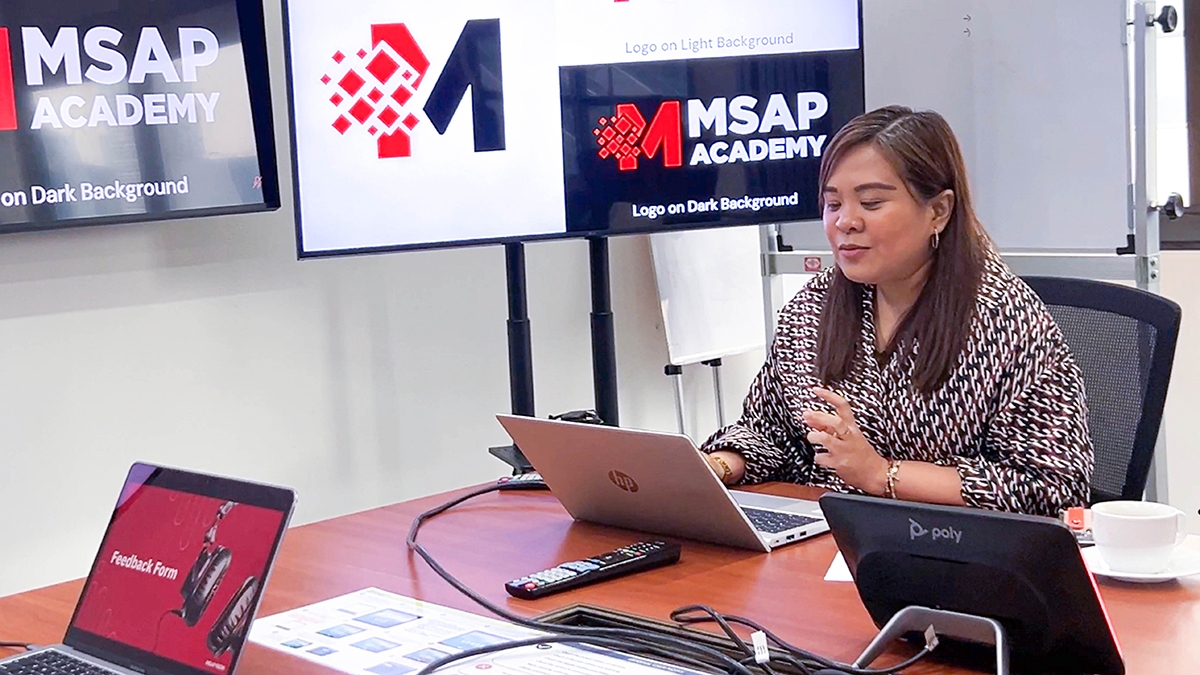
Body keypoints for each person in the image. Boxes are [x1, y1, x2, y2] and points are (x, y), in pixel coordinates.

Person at [701, 105, 1092, 517]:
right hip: (829, 534)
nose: (846, 222)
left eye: (871, 203)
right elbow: (770, 431)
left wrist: (880, 475)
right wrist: (717, 466)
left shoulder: (1004, 318)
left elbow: (1052, 487)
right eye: (833, 204)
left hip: (950, 543)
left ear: (938, 211)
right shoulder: (813, 306)